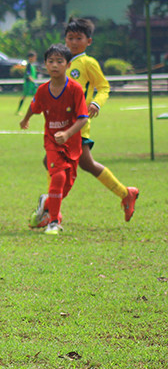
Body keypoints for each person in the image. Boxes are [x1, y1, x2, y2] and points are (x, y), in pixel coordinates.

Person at [63, 17, 140, 221]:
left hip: (77, 123)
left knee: (53, 162)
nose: (73, 42)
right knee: (85, 164)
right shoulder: (62, 62)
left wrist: (96, 103)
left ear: (89, 41)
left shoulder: (88, 63)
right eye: (70, 38)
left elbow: (104, 87)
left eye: (78, 38)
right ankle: (126, 193)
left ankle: (50, 209)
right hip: (62, 123)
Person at [20, 44, 89, 235]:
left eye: (60, 61)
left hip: (72, 144)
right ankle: (53, 222)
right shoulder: (42, 90)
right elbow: (34, 107)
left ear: (67, 65)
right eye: (51, 61)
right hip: (52, 142)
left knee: (65, 187)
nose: (55, 65)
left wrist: (67, 134)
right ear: (45, 65)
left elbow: (83, 118)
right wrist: (25, 119)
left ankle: (46, 202)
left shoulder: (75, 89)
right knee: (57, 176)